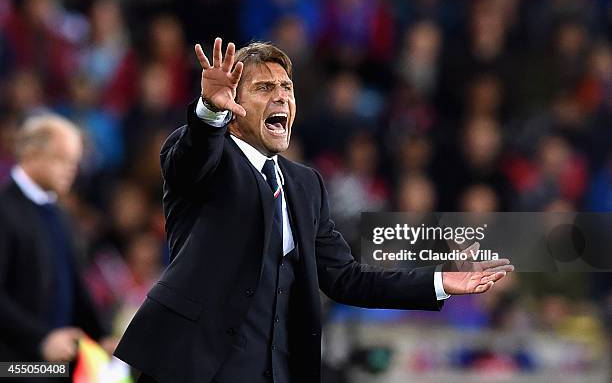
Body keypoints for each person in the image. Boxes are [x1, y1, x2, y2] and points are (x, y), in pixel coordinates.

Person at [114, 38, 513, 383]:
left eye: (287, 88)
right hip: (193, 368)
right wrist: (208, 110)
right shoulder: (207, 156)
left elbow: (345, 278)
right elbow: (192, 158)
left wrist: (440, 280)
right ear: (234, 104)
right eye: (264, 87)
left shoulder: (305, 185)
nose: (281, 97)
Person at [0, 115, 113, 367]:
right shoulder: (4, 211)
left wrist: (102, 335)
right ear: (31, 153)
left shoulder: (60, 216)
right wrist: (40, 339)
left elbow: (74, 284)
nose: (71, 169)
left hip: (56, 365)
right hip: (11, 365)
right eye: (62, 159)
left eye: (75, 162)